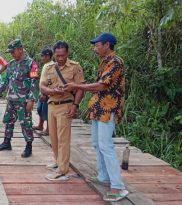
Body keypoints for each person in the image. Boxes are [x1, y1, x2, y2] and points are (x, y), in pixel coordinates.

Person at [63, 33, 129, 201]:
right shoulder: (105, 62)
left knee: (106, 146)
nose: (95, 48)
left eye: (97, 45)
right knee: (96, 144)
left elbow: (102, 85)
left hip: (108, 109)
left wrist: (77, 86)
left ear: (107, 45)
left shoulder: (116, 62)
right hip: (99, 108)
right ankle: (103, 177)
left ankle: (118, 186)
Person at [40, 41, 85, 181]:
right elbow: (42, 87)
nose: (60, 58)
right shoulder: (47, 67)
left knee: (63, 139)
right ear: (53, 54)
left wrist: (75, 105)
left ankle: (63, 170)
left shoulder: (75, 67)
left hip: (66, 105)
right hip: (51, 105)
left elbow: (80, 88)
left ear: (67, 53)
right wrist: (52, 91)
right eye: (58, 55)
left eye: (63, 55)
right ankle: (58, 160)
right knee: (53, 137)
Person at [0, 39, 39, 158]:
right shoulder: (12, 64)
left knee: (26, 123)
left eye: (13, 52)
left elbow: (34, 83)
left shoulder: (31, 64)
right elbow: (5, 80)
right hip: (11, 99)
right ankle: (7, 143)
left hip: (23, 101)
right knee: (8, 121)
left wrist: (31, 100)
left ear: (20, 49)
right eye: (11, 52)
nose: (12, 54)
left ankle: (29, 146)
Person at [33, 48, 54, 135]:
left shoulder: (51, 66)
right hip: (42, 92)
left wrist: (45, 94)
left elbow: (50, 80)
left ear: (48, 56)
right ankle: (40, 125)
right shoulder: (46, 65)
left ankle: (48, 129)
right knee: (40, 109)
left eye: (42, 56)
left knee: (46, 111)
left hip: (46, 93)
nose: (41, 58)